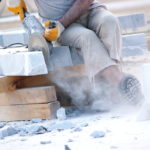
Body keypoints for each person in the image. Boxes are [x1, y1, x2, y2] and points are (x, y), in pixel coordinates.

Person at [5, 0, 143, 104]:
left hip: (86, 12)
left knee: (110, 21)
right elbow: (14, 5)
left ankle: (112, 87)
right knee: (86, 37)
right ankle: (120, 82)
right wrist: (18, 8)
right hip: (59, 26)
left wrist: (60, 25)